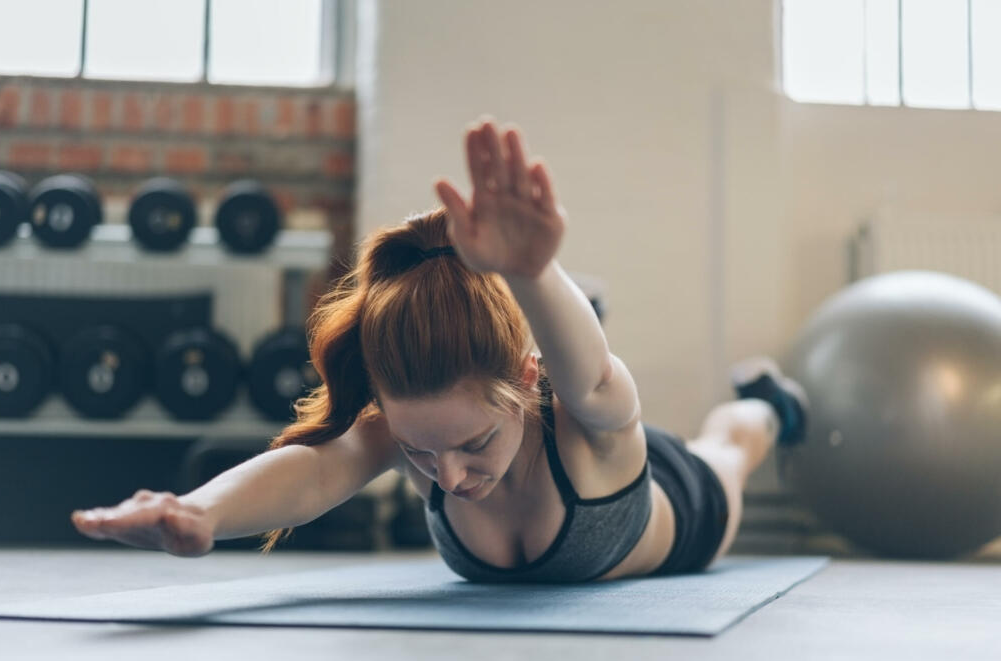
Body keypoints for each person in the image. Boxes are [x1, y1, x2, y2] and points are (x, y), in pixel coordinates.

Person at [72, 119, 807, 582]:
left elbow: (590, 378)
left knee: (731, 442)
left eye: (471, 441)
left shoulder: (590, 417)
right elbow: (314, 473)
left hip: (678, 504)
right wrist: (197, 513)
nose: (449, 474)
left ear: (525, 380)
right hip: (546, 379)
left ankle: (767, 400)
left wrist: (531, 272)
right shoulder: (416, 432)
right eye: (422, 453)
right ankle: (560, 316)